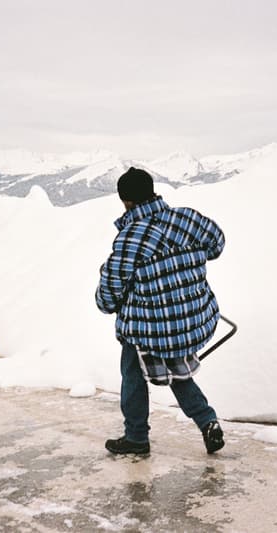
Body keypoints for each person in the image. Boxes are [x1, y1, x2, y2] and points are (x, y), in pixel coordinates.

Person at [96, 166, 226, 455]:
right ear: (153, 191)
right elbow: (217, 244)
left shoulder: (131, 238)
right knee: (178, 373)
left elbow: (110, 292)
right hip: (191, 320)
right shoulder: (188, 219)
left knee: (133, 374)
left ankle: (136, 437)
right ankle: (207, 421)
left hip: (150, 329)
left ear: (126, 201)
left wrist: (106, 301)